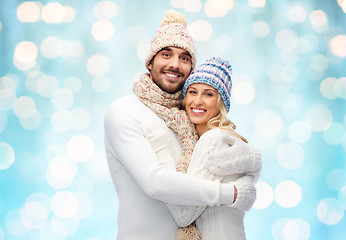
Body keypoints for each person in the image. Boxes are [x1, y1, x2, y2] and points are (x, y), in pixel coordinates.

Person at [104, 10, 258, 240]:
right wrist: (233, 193)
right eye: (166, 54)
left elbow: (216, 163)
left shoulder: (190, 117)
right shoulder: (124, 111)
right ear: (150, 61)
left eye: (184, 58)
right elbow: (154, 182)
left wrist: (250, 166)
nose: (175, 64)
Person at [139, 57, 261, 240]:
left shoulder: (213, 140)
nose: (197, 101)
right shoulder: (226, 139)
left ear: (221, 102)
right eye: (192, 92)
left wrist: (161, 150)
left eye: (208, 94)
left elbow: (183, 215)